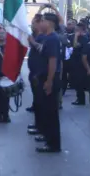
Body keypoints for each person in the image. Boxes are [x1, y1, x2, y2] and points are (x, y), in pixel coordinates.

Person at [35, 13, 61, 153]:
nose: (41, 23)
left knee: (51, 112)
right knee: (46, 110)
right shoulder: (47, 38)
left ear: (50, 23)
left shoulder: (52, 39)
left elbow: (53, 61)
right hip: (44, 77)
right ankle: (47, 137)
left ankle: (53, 144)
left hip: (49, 78)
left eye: (43, 21)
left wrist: (49, 81)